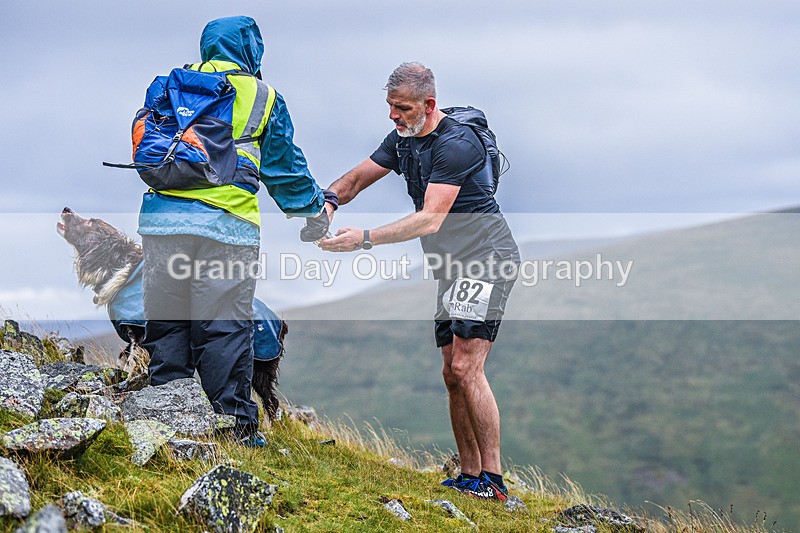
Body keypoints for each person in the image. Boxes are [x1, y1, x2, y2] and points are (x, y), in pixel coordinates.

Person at [320, 62, 519, 499]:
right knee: (450, 372)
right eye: (390, 106)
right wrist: (328, 203)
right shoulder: (403, 139)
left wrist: (364, 239)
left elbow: (430, 219)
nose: (393, 115)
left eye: (403, 108)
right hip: (450, 267)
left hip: (485, 260)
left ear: (428, 105)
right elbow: (356, 179)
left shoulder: (456, 144)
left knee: (466, 367)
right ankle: (469, 476)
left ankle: (494, 482)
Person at [137, 16, 335, 447]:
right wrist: (315, 212)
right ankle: (235, 428)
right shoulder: (261, 96)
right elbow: (286, 171)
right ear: (252, 51)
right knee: (223, 328)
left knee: (168, 322)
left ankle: (166, 421)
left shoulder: (171, 85)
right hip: (226, 229)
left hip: (161, 225)